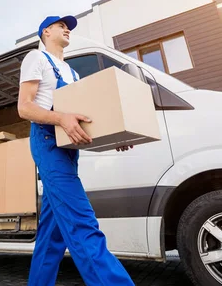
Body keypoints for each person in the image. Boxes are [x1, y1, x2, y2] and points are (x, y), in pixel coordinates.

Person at [18, 15, 135, 286]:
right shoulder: (36, 59)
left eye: (68, 26)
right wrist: (59, 118)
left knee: (52, 234)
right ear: (45, 31)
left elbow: (83, 120)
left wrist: (115, 134)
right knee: (82, 223)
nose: (67, 28)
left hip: (68, 148)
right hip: (48, 142)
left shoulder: (72, 74)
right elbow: (24, 108)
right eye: (61, 25)